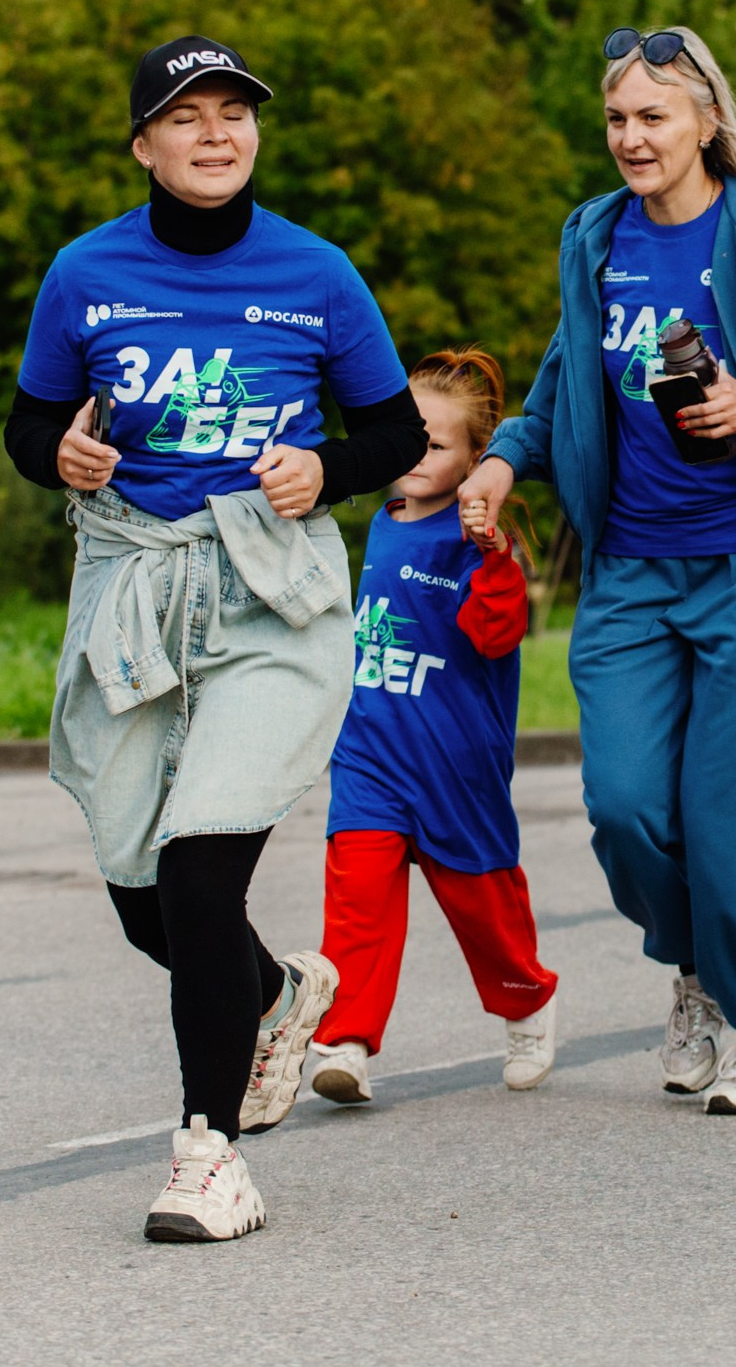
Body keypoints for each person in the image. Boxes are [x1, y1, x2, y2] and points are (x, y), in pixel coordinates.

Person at [3, 37, 426, 1241]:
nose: (215, 134)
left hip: (264, 589)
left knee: (199, 867)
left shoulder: (316, 272)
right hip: (134, 579)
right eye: (187, 117)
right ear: (144, 144)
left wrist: (323, 469)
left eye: (235, 113)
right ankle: (281, 995)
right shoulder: (85, 274)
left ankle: (208, 1155)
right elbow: (29, 427)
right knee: (146, 894)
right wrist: (64, 456)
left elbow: (393, 435)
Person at [456, 25, 736, 1114]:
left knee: (732, 815)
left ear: (708, 119)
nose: (631, 137)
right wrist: (505, 459)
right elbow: (569, 375)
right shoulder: (598, 239)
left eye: (654, 115)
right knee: (623, 805)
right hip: (629, 570)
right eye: (617, 118)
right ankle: (699, 967)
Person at [306, 349, 560, 1106]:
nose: (417, 457)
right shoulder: (382, 522)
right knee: (357, 897)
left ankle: (527, 1000)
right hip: (372, 756)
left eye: (437, 445)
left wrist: (490, 561)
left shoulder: (479, 540)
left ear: (476, 460)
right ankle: (346, 1039)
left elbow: (497, 634)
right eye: (407, 438)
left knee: (484, 911)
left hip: (455, 765)